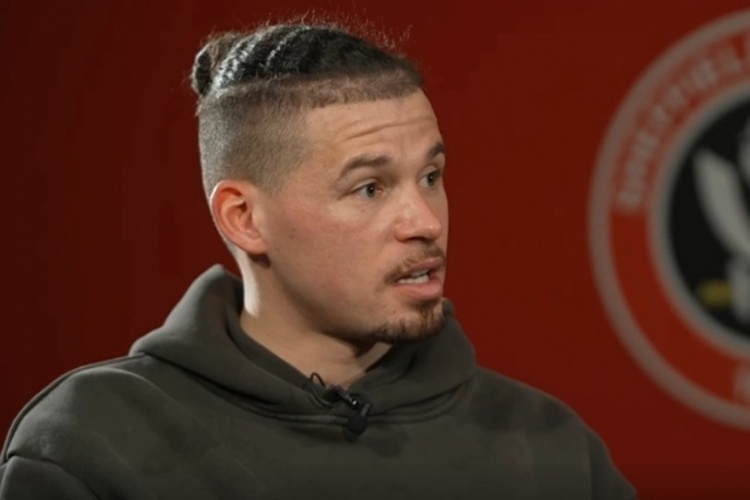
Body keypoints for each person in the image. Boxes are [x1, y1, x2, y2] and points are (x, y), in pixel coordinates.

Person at [0, 19, 637, 500]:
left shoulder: (553, 452)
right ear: (244, 219)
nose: (426, 223)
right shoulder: (94, 445)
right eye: (370, 188)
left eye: (431, 176)